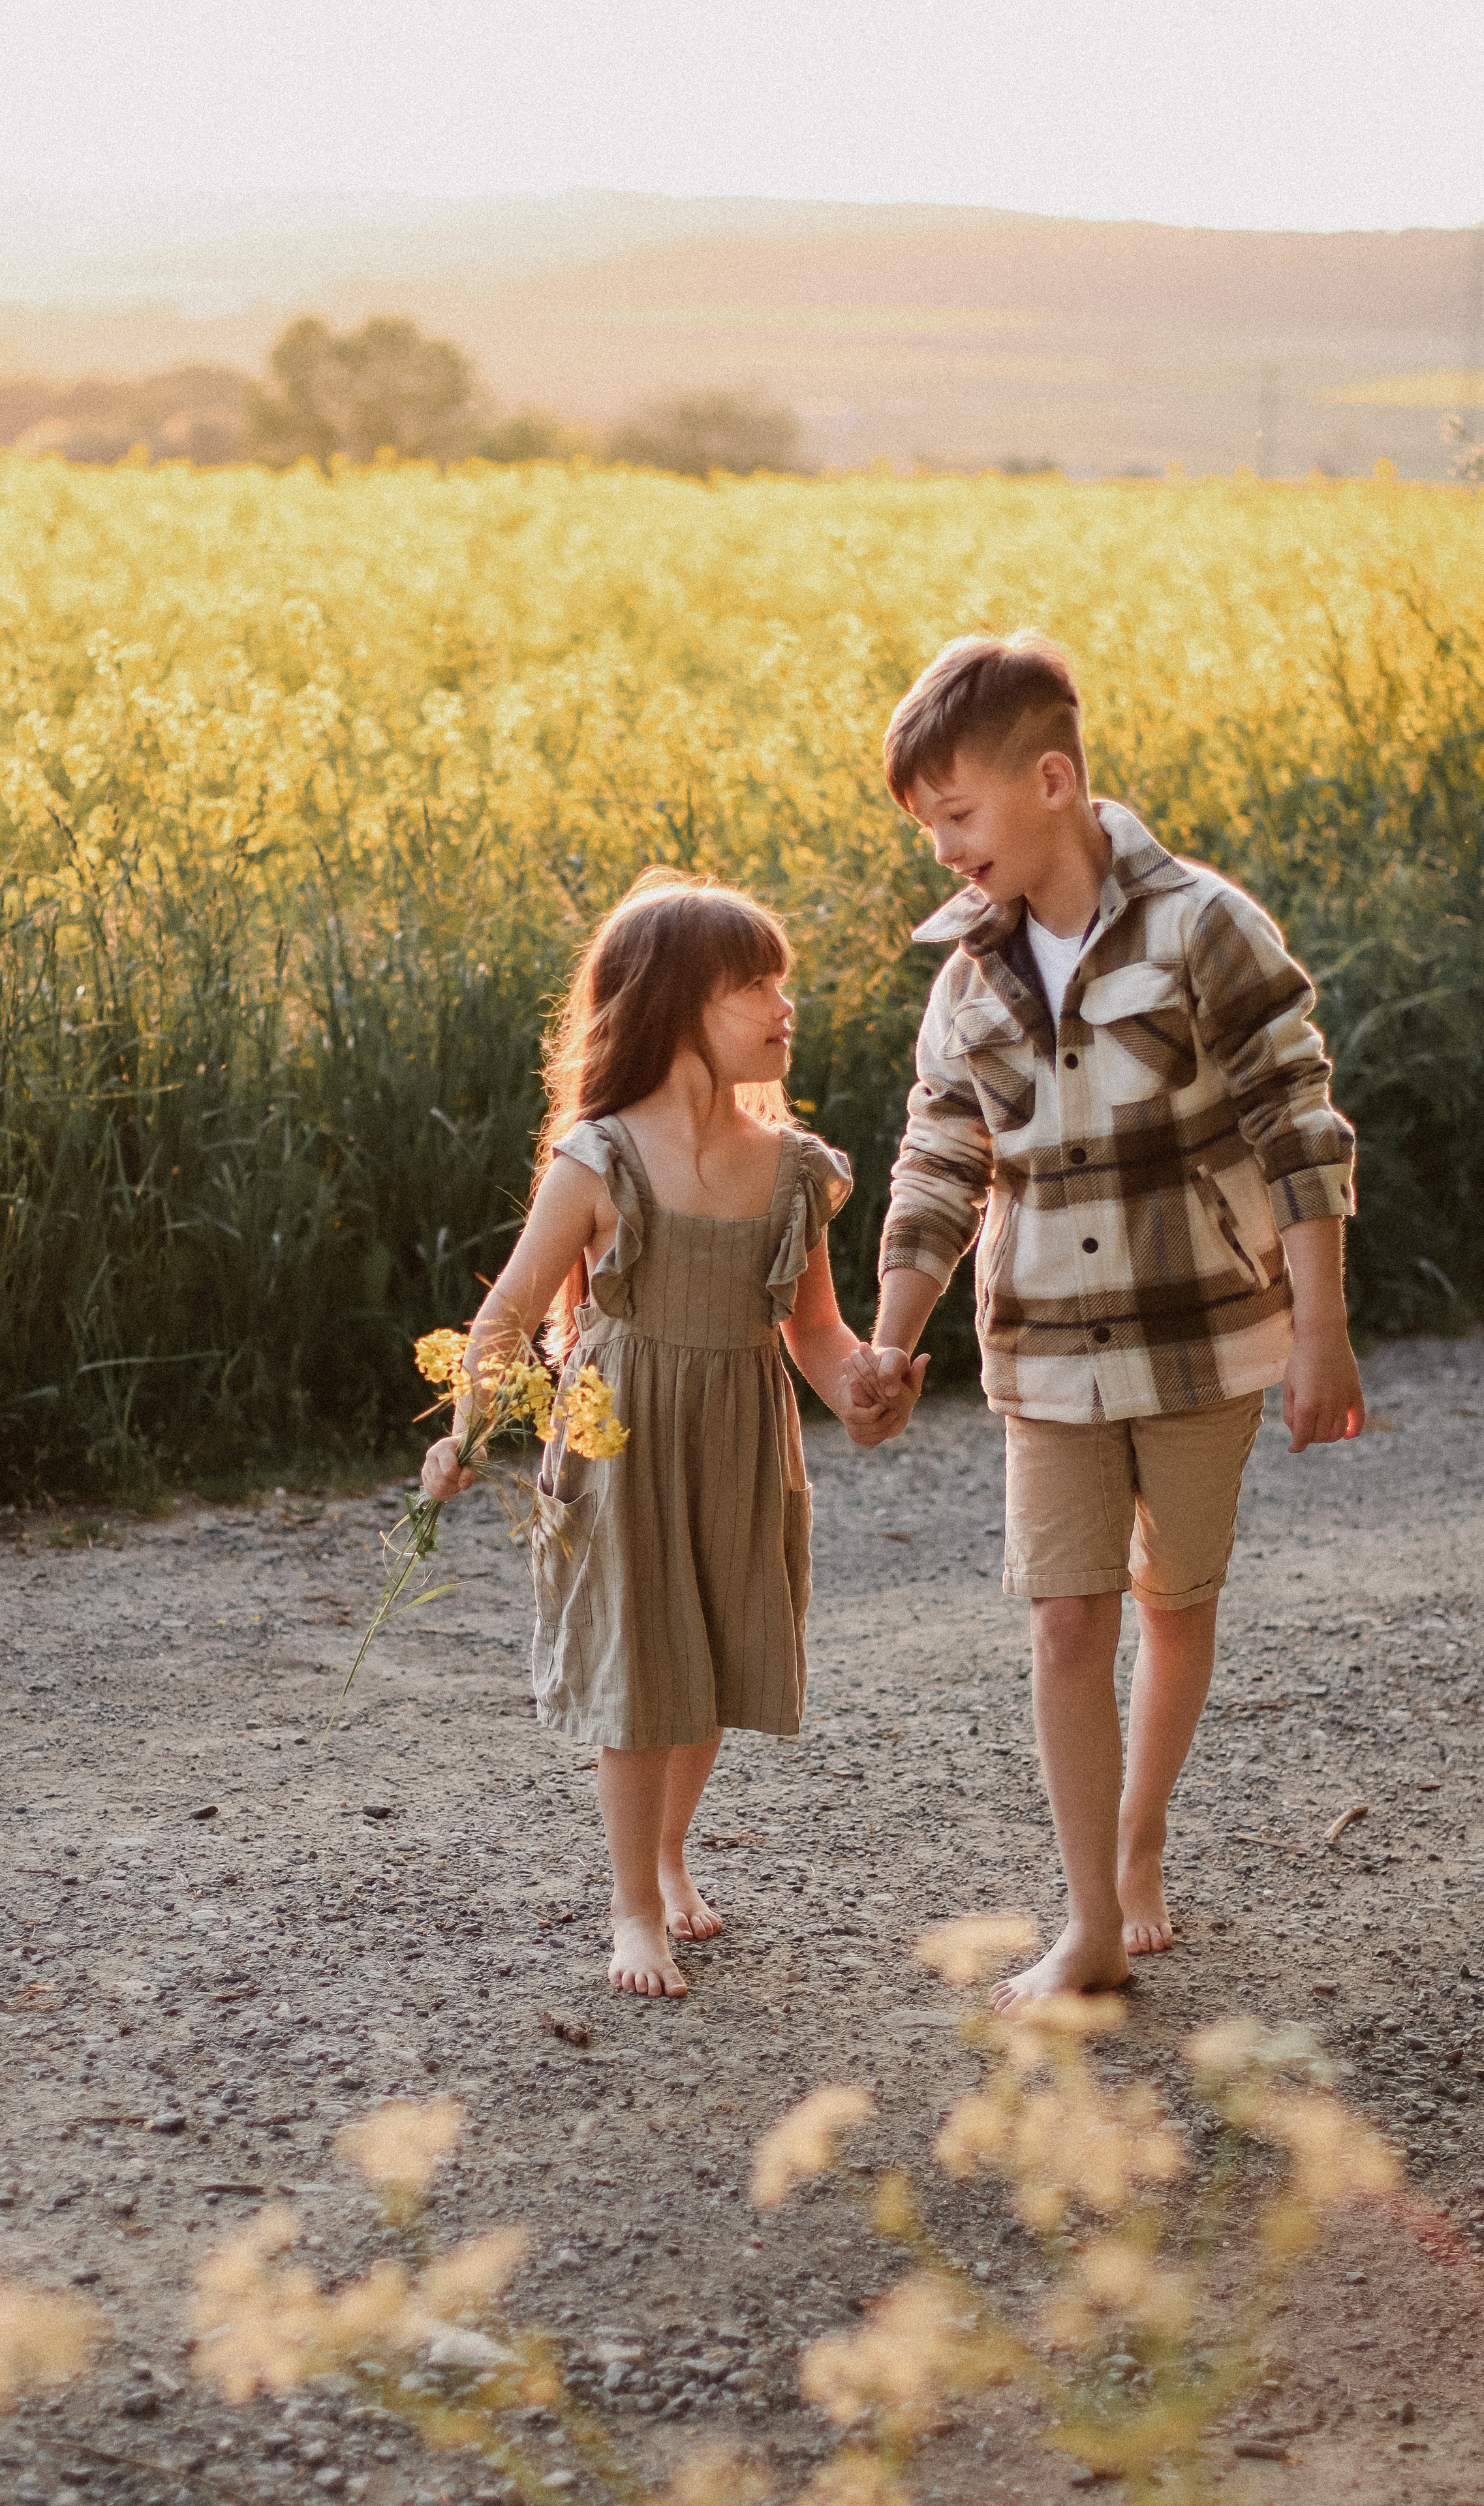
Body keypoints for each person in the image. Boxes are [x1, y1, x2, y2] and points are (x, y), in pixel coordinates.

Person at [844, 634, 1363, 2005]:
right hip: (1045, 1355)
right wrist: (890, 1337)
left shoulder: (1202, 926)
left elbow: (1299, 1130)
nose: (941, 846)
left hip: (1203, 1338)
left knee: (1172, 1600)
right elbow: (937, 1162)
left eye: (956, 814)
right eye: (925, 824)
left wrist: (1320, 1335)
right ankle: (1085, 1920)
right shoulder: (963, 983)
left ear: (1053, 780)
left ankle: (1139, 1844)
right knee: (1066, 1622)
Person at [422, 870, 914, 1999]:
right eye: (756, 985)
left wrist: (863, 1389)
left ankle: (670, 1848)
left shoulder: (794, 1168)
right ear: (677, 1000)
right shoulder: (600, 1159)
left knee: (720, 1663)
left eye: (782, 984)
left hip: (744, 1431)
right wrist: (465, 1431)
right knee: (644, 1672)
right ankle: (632, 1904)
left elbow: (819, 1333)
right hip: (622, 1438)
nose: (785, 1007)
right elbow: (506, 1315)